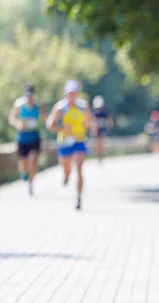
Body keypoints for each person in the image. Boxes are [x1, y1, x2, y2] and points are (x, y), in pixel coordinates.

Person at [46, 80, 93, 210]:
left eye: (74, 92)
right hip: (64, 141)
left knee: (79, 169)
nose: (72, 95)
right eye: (69, 93)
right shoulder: (60, 108)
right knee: (67, 169)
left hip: (79, 140)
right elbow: (50, 125)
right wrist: (62, 128)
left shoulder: (83, 106)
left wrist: (87, 123)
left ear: (77, 93)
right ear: (66, 93)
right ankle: (66, 176)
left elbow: (88, 122)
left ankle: (78, 197)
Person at [8, 84, 47, 196]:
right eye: (27, 95)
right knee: (23, 162)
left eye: (31, 95)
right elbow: (12, 118)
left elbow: (44, 117)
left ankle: (31, 183)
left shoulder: (38, 105)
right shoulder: (19, 104)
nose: (29, 97)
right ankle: (24, 172)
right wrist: (18, 124)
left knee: (33, 159)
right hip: (23, 137)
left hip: (34, 136)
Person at [90, 95, 113, 162]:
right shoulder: (94, 113)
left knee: (101, 142)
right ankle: (99, 155)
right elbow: (91, 122)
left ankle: (102, 154)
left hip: (102, 129)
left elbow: (109, 120)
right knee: (97, 143)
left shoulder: (104, 113)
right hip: (96, 130)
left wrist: (109, 125)